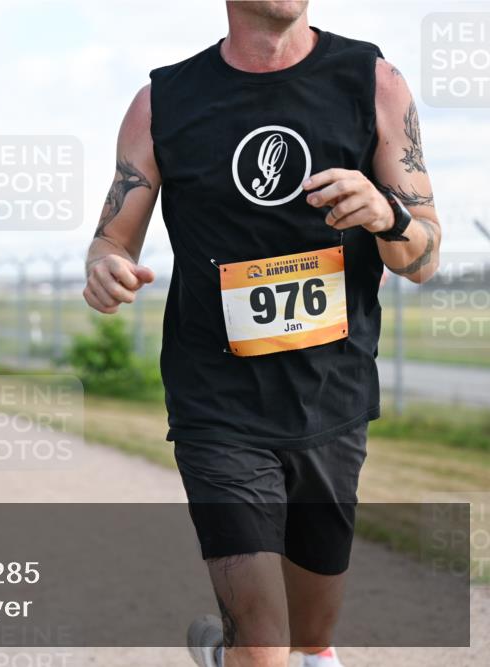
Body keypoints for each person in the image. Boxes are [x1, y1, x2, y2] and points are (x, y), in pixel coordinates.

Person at [82, 3, 441, 666]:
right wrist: (104, 265)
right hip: (216, 404)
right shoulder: (162, 102)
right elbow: (112, 238)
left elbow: (422, 260)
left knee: (311, 641)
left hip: (331, 397)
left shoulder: (374, 82)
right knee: (265, 647)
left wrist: (387, 214)